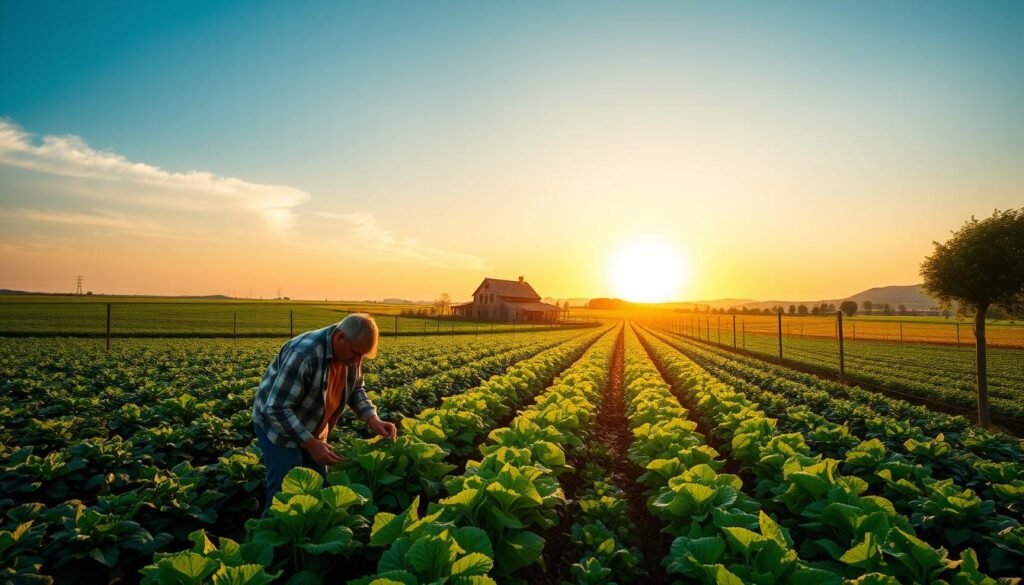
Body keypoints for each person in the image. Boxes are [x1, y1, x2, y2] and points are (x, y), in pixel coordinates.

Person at [252, 313, 397, 513]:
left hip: (313, 425)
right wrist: (310, 444)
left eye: (362, 356)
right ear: (339, 337)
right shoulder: (304, 354)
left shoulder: (352, 353)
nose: (358, 361)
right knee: (286, 492)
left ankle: (307, 536)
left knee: (317, 485)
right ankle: (269, 536)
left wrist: (373, 419)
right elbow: (276, 409)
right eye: (356, 353)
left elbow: (355, 389)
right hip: (278, 427)